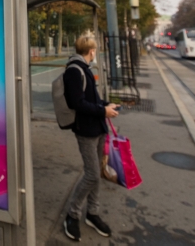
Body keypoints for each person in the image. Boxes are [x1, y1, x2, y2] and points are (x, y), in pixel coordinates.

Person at [63, 36, 119, 241]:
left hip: (97, 127)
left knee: (97, 172)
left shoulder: (83, 68)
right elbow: (78, 103)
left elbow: (91, 99)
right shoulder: (74, 71)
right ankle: (72, 213)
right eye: (95, 49)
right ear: (91, 50)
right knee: (93, 174)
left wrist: (106, 105)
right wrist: (102, 110)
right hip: (86, 130)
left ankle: (92, 212)